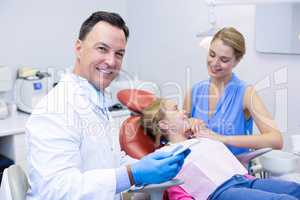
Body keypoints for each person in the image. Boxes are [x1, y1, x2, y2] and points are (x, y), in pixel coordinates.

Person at [25, 11, 190, 200]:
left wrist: (146, 164)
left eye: (119, 54)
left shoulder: (96, 102)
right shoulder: (55, 109)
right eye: (102, 49)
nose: (111, 61)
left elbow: (110, 159)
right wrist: (132, 174)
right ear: (79, 48)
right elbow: (55, 190)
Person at [141, 98, 300, 200]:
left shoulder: (200, 138)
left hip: (242, 180)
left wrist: (201, 132)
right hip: (221, 192)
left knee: (295, 190)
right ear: (164, 124)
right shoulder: (164, 154)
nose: (184, 112)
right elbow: (174, 189)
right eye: (176, 109)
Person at [184, 27, 283, 155]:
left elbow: (276, 140)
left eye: (224, 59)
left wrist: (222, 139)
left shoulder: (246, 93)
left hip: (234, 171)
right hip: (199, 171)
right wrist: (188, 125)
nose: (214, 63)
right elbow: (179, 138)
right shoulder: (194, 92)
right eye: (212, 54)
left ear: (236, 61)